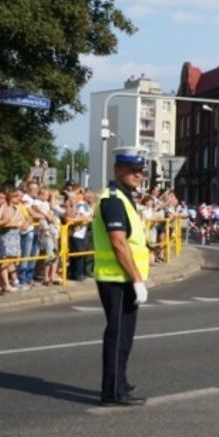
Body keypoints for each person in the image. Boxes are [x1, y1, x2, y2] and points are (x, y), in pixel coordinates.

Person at [93, 147, 151, 407]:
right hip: (117, 278)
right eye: (132, 170)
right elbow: (118, 244)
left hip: (123, 277)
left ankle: (120, 381)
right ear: (117, 170)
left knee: (125, 335)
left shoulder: (125, 198)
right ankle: (113, 392)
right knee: (117, 337)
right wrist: (137, 280)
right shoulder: (114, 199)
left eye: (140, 171)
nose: (137, 175)